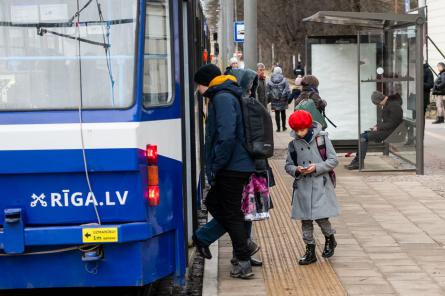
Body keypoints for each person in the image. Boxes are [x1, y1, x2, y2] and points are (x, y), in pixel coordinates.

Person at [194, 68, 265, 268]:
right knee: (227, 208)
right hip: (239, 164)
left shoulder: (222, 98)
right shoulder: (228, 93)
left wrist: (216, 164)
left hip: (233, 166)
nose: (198, 89)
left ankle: (242, 254)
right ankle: (242, 247)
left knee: (230, 211)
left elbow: (226, 136)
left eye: (198, 84)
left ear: (206, 82)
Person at [285, 110, 339, 265]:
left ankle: (330, 238)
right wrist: (296, 170)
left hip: (320, 184)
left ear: (308, 126)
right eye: (297, 130)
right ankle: (310, 250)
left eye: (302, 129)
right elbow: (288, 165)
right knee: (306, 220)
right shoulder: (293, 144)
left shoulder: (322, 139)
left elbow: (333, 160)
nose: (300, 133)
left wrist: (317, 167)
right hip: (302, 186)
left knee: (322, 217)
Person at [345, 91, 403, 170]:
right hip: (387, 130)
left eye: (377, 104)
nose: (379, 106)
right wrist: (377, 126)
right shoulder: (390, 104)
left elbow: (393, 123)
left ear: (379, 100)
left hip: (391, 133)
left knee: (364, 138)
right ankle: (357, 161)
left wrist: (378, 128)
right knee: (362, 136)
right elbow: (388, 121)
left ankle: (358, 162)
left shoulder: (393, 105)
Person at [267, 66, 290, 132]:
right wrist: (287, 98)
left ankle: (278, 128)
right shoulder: (284, 79)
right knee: (283, 112)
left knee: (277, 113)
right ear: (281, 71)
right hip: (283, 99)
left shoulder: (270, 80)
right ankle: (284, 127)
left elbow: (268, 90)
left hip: (274, 99)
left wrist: (270, 98)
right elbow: (287, 90)